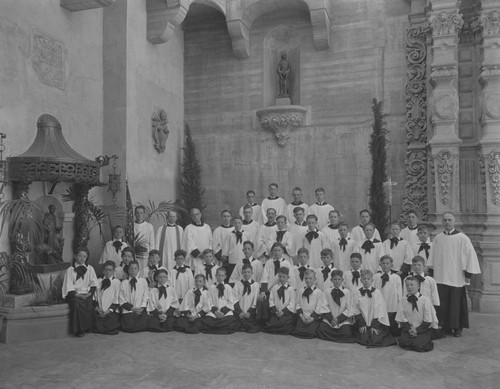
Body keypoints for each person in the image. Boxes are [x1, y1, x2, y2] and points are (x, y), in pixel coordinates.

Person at [427, 212, 481, 337]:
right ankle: (445, 326)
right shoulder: (438, 238)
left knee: (456, 303)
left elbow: (470, 257)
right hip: (441, 276)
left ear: (454, 221)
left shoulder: (462, 238)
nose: (447, 222)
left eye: (449, 220)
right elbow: (433, 257)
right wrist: (431, 272)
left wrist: (468, 274)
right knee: (443, 303)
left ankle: (457, 327)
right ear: (442, 222)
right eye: (445, 220)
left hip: (456, 277)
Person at [353, 270, 396, 347]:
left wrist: (374, 325)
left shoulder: (377, 292)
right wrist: (362, 323)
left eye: (368, 279)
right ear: (361, 280)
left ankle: (373, 329)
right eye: (364, 279)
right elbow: (356, 309)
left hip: (376, 322)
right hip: (363, 321)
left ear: (372, 280)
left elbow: (379, 310)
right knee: (364, 338)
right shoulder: (357, 292)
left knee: (375, 338)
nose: (366, 281)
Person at [62, 247, 98, 337]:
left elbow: (94, 283)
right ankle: (79, 330)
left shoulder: (90, 269)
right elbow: (68, 286)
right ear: (75, 256)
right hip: (74, 295)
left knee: (89, 304)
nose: (82, 258)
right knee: (77, 304)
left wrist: (90, 293)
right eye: (80, 256)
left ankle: (88, 327)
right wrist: (78, 295)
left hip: (86, 293)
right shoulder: (70, 270)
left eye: (84, 256)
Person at [396, 277, 438, 352]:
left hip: (422, 329)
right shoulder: (403, 300)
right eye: (407, 285)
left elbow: (428, 319)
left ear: (418, 286)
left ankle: (423, 340)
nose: (409, 287)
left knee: (419, 345)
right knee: (403, 342)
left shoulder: (425, 300)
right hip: (408, 329)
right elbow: (402, 317)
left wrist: (417, 330)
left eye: (412, 285)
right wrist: (410, 329)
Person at [258, 243, 296, 322]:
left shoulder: (287, 263)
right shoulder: (269, 262)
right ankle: (265, 320)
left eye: (279, 250)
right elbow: (265, 277)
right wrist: (263, 291)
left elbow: (291, 279)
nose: (277, 252)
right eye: (275, 250)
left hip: (283, 289)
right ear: (272, 251)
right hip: (270, 290)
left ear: (282, 251)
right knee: (262, 300)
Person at [316, 270, 356, 343]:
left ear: (342, 280)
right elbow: (324, 306)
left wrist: (338, 319)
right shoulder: (327, 291)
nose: (337, 281)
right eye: (335, 279)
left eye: (339, 279)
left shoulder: (347, 292)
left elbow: (349, 308)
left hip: (342, 320)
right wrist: (331, 319)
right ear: (331, 280)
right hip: (330, 318)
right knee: (321, 329)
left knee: (347, 332)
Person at [291, 269, 326, 338]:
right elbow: (298, 304)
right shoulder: (301, 290)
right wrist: (302, 317)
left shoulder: (318, 292)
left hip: (313, 318)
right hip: (303, 317)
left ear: (315, 279)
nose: (308, 280)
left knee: (311, 333)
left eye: (310, 278)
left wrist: (312, 318)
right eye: (306, 278)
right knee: (298, 331)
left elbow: (319, 307)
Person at [372, 255, 402, 337]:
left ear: (391, 264)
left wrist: (399, 307)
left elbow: (400, 293)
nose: (385, 265)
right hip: (380, 306)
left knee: (393, 331)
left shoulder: (396, 277)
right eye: (383, 263)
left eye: (387, 263)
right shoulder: (376, 277)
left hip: (392, 306)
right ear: (380, 264)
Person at [203, 268, 238, 334]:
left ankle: (215, 329)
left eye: (222, 276)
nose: (220, 277)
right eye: (218, 275)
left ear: (225, 277)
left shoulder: (228, 287)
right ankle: (221, 329)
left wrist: (223, 312)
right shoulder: (211, 287)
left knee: (231, 322)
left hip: (225, 311)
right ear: (215, 276)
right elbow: (209, 301)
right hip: (214, 311)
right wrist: (215, 311)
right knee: (207, 320)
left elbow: (231, 301)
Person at [263, 267, 296, 334]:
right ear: (278, 276)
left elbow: (292, 303)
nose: (282, 279)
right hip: (276, 313)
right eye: (280, 277)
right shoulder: (274, 288)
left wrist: (283, 312)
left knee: (286, 325)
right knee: (271, 325)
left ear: (288, 277)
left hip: (286, 314)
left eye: (284, 277)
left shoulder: (291, 289)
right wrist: (276, 311)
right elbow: (271, 300)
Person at [119, 260, 149, 333]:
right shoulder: (124, 283)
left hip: (140, 309)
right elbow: (122, 299)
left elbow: (146, 296)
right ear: (128, 270)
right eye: (131, 269)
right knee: (128, 325)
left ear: (138, 270)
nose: (133, 271)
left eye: (135, 268)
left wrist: (141, 308)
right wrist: (132, 309)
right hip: (129, 310)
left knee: (145, 321)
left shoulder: (143, 281)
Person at [92, 260, 121, 335]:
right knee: (94, 319)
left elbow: (116, 300)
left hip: (111, 311)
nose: (108, 272)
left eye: (110, 270)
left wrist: (108, 311)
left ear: (113, 271)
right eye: (106, 270)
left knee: (111, 321)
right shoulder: (98, 281)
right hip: (99, 309)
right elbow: (94, 297)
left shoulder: (117, 282)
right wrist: (98, 309)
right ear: (103, 271)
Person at [233, 264, 261, 333]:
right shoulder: (237, 284)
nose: (246, 274)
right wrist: (240, 312)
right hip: (240, 312)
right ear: (242, 273)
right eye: (244, 272)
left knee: (253, 324)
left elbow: (254, 302)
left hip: (250, 312)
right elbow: (234, 299)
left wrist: (249, 312)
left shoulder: (256, 285)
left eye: (248, 272)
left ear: (252, 273)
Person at [221, 215, 249, 281]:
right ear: (233, 223)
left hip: (243, 261)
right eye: (235, 223)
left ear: (242, 223)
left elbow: (249, 248)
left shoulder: (247, 234)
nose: (237, 224)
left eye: (239, 222)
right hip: (232, 261)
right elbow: (225, 250)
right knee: (232, 280)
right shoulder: (229, 235)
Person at [134, 205, 155, 277]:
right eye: (137, 213)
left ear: (144, 214)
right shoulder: (131, 226)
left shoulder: (149, 226)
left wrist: (151, 256)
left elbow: (152, 242)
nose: (139, 215)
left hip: (146, 254)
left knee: (145, 273)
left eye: (141, 213)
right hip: (135, 254)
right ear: (134, 214)